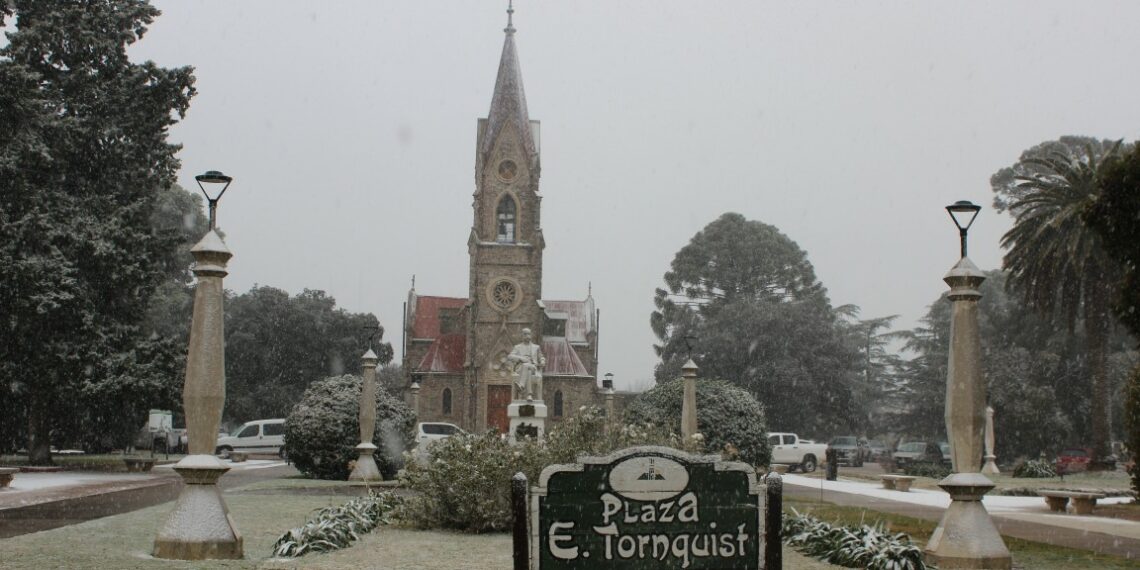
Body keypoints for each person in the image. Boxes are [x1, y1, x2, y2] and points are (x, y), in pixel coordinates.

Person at [507, 328, 545, 401]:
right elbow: (510, 356)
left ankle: (521, 385)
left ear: (531, 335)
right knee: (528, 370)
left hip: (533, 367)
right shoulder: (517, 347)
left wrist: (543, 361)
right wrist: (521, 358)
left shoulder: (536, 347)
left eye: (528, 334)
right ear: (522, 336)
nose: (527, 336)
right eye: (525, 334)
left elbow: (541, 357)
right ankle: (529, 395)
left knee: (527, 367)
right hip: (520, 368)